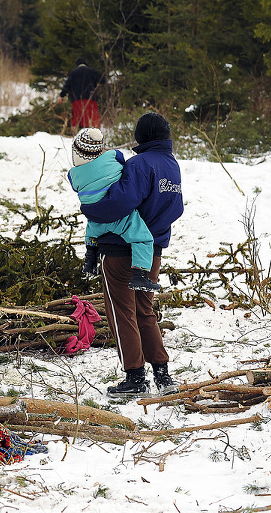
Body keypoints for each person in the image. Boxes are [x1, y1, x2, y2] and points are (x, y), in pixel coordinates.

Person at [79, 111, 183, 397]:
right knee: (144, 310)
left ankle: (135, 377)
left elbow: (119, 202)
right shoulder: (172, 166)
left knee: (121, 312)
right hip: (153, 252)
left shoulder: (139, 165)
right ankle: (162, 373)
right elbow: (177, 208)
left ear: (142, 136)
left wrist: (89, 209)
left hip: (119, 252)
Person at [67, 127, 161, 293]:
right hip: (120, 218)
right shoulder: (113, 156)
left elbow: (76, 188)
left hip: (95, 217)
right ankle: (140, 274)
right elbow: (122, 161)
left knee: (91, 229)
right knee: (142, 238)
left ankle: (90, 259)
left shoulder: (73, 174)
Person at [59, 57, 107, 131]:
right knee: (92, 119)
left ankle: (74, 135)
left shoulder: (73, 73)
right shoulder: (92, 71)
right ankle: (94, 136)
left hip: (77, 100)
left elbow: (67, 86)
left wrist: (62, 96)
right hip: (91, 99)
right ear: (86, 64)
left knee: (77, 119)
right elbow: (103, 80)